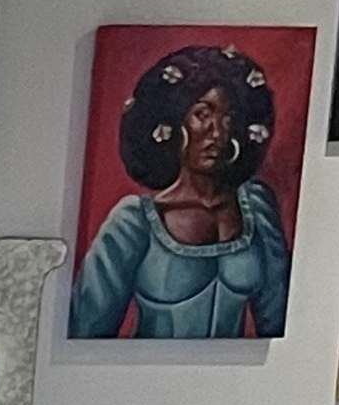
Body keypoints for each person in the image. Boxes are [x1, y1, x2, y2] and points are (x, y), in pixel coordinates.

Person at [70, 42, 294, 339]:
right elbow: (85, 331)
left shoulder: (257, 205)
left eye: (228, 117)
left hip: (237, 381)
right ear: (175, 123)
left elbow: (277, 320)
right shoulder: (133, 222)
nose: (218, 132)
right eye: (203, 114)